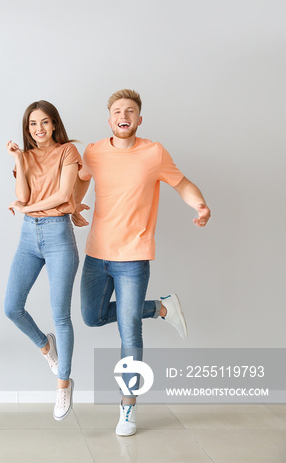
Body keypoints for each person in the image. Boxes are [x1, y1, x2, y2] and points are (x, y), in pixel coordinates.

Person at [72, 89, 211, 436]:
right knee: (91, 317)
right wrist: (74, 205)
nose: (124, 115)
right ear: (110, 119)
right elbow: (78, 181)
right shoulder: (94, 151)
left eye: (131, 111)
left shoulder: (153, 153)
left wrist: (201, 205)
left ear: (139, 119)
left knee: (128, 329)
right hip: (96, 255)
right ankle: (162, 308)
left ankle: (127, 408)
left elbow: (183, 184)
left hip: (134, 257)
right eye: (118, 110)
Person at [4, 101, 82, 421]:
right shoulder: (26, 156)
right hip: (28, 237)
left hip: (58, 236)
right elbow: (22, 197)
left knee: (60, 315)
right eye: (33, 124)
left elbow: (64, 195)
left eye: (45, 122)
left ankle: (63, 384)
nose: (39, 129)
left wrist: (29, 209)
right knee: (11, 307)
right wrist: (19, 162)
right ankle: (44, 345)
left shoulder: (67, 152)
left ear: (54, 125)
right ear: (27, 129)